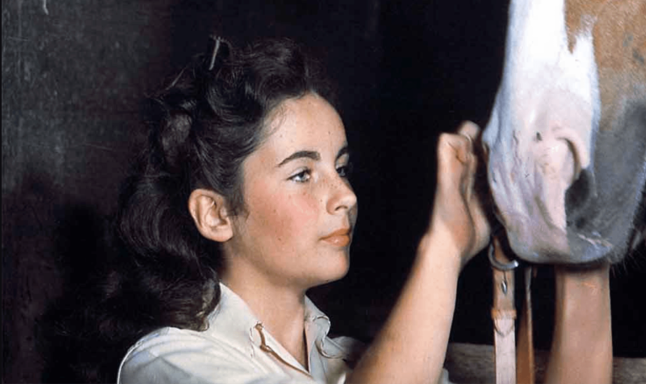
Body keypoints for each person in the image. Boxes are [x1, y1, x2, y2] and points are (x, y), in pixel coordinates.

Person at [101, 37, 612, 384]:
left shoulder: (362, 358)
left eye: (341, 168)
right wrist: (443, 247)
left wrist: (581, 242)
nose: (345, 195)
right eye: (303, 174)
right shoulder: (170, 363)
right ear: (216, 215)